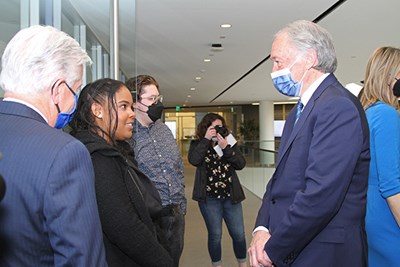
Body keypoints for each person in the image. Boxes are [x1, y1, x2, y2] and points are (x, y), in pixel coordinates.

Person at [248, 20, 370, 267]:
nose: (273, 70)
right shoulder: (300, 109)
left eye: (278, 61)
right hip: (299, 244)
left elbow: (321, 193)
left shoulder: (337, 107)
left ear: (310, 58)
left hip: (323, 251)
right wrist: (261, 228)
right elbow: (279, 179)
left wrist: (274, 248)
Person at [0, 25, 107, 266]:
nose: (75, 100)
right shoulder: (65, 152)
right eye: (76, 88)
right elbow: (81, 259)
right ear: (58, 90)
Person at [69, 78, 173, 267]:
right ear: (97, 110)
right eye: (123, 107)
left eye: (131, 107)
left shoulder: (117, 152)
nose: (132, 114)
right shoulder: (99, 159)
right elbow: (125, 227)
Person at [126, 74, 186, 267]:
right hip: (148, 219)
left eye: (158, 98)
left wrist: (181, 206)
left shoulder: (164, 130)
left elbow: (177, 167)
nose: (156, 103)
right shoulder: (127, 135)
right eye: (151, 99)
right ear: (135, 103)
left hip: (176, 215)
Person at [188, 113, 247, 267]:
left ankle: (243, 264)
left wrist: (226, 148)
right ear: (206, 127)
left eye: (220, 127)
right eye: (214, 127)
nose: (217, 130)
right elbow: (194, 160)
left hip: (231, 196)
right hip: (209, 199)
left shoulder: (229, 142)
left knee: (239, 234)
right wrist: (207, 139)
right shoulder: (198, 143)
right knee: (215, 235)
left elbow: (240, 164)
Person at [359, 47, 400, 267]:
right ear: (388, 75)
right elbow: (391, 185)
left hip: (371, 214)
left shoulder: (368, 112)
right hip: (388, 216)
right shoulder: (387, 115)